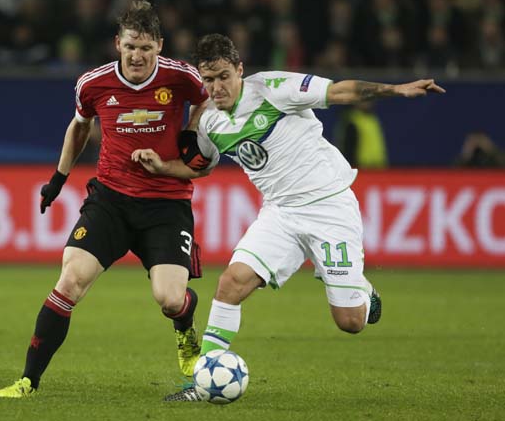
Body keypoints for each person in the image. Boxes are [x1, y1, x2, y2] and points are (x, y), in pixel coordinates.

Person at [131, 34, 445, 401]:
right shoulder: (211, 123)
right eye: (208, 80)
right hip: (280, 213)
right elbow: (199, 168)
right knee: (230, 284)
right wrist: (164, 167)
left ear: (240, 70)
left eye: (223, 76)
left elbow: (340, 92)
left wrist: (397, 90)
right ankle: (205, 381)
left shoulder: (274, 88)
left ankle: (363, 291)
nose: (216, 87)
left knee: (351, 322)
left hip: (329, 206)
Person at [0, 0, 209, 398]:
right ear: (118, 44)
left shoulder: (181, 78)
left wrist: (191, 133)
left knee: (169, 298)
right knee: (70, 281)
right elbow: (79, 128)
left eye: (146, 47)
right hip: (110, 201)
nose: (138, 55)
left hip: (166, 204)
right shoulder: (93, 84)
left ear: (159, 46)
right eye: (130, 46)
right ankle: (28, 381)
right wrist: (58, 179)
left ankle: (185, 328)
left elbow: (206, 98)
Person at [334, 100, 388, 168]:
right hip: (361, 169)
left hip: (378, 168)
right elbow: (347, 150)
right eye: (364, 99)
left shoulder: (373, 119)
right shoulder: (351, 121)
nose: (367, 102)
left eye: (370, 98)